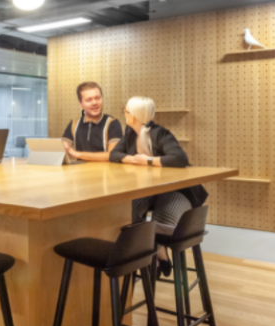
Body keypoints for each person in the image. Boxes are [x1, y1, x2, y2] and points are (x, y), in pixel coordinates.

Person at [110, 96, 208, 276]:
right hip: (150, 189)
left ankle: (159, 249)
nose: (124, 113)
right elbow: (114, 154)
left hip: (177, 189)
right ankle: (154, 250)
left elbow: (179, 159)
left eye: (126, 111)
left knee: (163, 217)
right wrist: (132, 158)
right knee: (127, 211)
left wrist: (147, 160)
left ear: (133, 115)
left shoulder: (160, 133)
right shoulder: (130, 133)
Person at [61, 81, 123, 162]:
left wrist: (77, 154)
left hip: (104, 173)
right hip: (79, 172)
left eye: (98, 98)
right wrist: (64, 147)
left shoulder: (112, 123)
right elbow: (62, 148)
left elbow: (113, 155)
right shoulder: (74, 123)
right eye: (88, 100)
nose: (94, 103)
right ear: (81, 104)